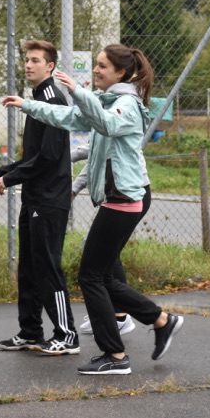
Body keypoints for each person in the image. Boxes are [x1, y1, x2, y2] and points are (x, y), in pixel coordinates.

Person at [3, 44, 182, 376]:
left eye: (102, 66)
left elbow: (107, 125)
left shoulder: (126, 105)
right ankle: (159, 320)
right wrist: (27, 105)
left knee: (91, 276)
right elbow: (69, 119)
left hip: (125, 198)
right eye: (96, 65)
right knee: (103, 275)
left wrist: (78, 92)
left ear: (121, 73)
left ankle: (116, 354)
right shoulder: (107, 100)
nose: (96, 70)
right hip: (117, 197)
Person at [0, 40, 78, 355]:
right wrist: (1, 171)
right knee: (29, 268)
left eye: (35, 60)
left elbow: (49, 157)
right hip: (34, 198)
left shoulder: (53, 100)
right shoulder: (36, 100)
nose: (28, 65)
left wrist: (10, 179)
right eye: (26, 59)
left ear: (50, 66)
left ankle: (67, 335)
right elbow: (32, 156)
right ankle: (30, 331)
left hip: (50, 200)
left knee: (48, 267)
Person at [71, 137, 151, 337]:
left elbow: (91, 150)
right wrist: (74, 187)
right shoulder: (104, 122)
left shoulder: (116, 119)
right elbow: (95, 158)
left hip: (131, 193)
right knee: (106, 255)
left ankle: (120, 317)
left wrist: (56, 157)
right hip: (117, 192)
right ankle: (111, 313)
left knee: (106, 255)